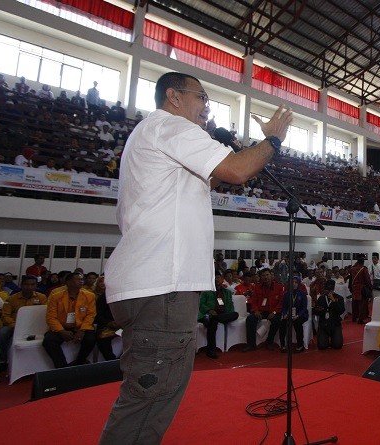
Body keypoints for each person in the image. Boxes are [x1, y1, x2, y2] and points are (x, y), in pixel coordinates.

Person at [100, 71, 292, 444]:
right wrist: (272, 140)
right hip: (162, 283)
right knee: (149, 400)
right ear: (174, 96)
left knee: (151, 394)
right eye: (202, 98)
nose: (207, 108)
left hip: (152, 282)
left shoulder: (156, 134)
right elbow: (236, 169)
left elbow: (218, 176)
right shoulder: (172, 126)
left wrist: (249, 154)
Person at [42, 272, 97, 368]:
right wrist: (62, 331)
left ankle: (79, 363)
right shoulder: (56, 296)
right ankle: (62, 367)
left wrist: (82, 330)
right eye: (78, 279)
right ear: (68, 282)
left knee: (91, 339)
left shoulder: (90, 296)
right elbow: (51, 317)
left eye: (82, 279)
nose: (81, 281)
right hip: (61, 327)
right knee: (49, 340)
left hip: (80, 327)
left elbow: (91, 315)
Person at [0, 275, 47, 363]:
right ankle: (3, 359)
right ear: (21, 285)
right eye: (26, 284)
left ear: (36, 285)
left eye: (32, 284)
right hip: (14, 325)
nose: (29, 287)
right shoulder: (11, 298)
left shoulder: (42, 297)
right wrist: (15, 325)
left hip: (34, 325)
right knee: (2, 333)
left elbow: (44, 313)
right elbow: (5, 316)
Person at [197, 272, 238, 359]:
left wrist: (228, 314)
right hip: (208, 313)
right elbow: (201, 304)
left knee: (235, 314)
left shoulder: (227, 292)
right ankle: (211, 350)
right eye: (214, 278)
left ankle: (215, 318)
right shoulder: (206, 292)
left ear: (222, 279)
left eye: (218, 277)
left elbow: (230, 305)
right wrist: (209, 310)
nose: (216, 279)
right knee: (213, 322)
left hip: (221, 314)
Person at [243, 268, 285, 352]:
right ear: (260, 277)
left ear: (271, 276)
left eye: (267, 275)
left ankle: (269, 342)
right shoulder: (257, 287)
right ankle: (251, 344)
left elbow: (281, 302)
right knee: (250, 319)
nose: (265, 277)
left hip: (273, 311)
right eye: (263, 275)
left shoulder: (279, 287)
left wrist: (274, 312)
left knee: (277, 321)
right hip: (261, 311)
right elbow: (253, 301)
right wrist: (255, 311)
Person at [93, 277, 121, 361]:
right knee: (103, 340)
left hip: (123, 326)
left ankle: (121, 360)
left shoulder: (124, 297)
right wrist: (109, 323)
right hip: (107, 326)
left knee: (136, 337)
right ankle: (112, 361)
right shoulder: (103, 297)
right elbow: (97, 316)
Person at [279, 276, 309, 352]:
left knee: (298, 322)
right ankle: (283, 345)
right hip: (289, 314)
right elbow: (284, 307)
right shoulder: (287, 294)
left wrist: (298, 316)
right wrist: (285, 314)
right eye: (292, 282)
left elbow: (304, 308)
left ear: (299, 283)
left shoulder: (303, 294)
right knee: (282, 322)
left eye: (296, 282)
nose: (294, 284)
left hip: (301, 315)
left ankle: (300, 345)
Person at [313, 279, 345, 350]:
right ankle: (326, 338)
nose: (330, 291)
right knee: (322, 346)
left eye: (331, 289)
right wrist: (319, 310)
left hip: (335, 323)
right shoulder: (321, 298)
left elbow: (341, 311)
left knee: (337, 345)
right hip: (324, 324)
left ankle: (333, 338)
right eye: (328, 289)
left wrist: (334, 301)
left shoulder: (339, 298)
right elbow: (315, 311)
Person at [350, 256, 371, 323]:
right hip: (361, 288)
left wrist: (351, 288)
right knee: (362, 304)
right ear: (363, 262)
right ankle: (360, 319)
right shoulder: (364, 269)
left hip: (354, 288)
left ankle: (354, 318)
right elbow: (367, 279)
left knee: (354, 303)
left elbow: (350, 279)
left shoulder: (352, 269)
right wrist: (370, 287)